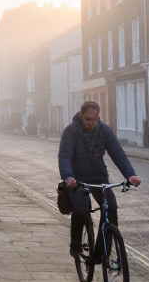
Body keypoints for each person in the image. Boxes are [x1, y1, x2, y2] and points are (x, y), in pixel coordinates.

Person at [57, 100, 141, 260]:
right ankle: (75, 245)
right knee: (81, 211)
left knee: (111, 208)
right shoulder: (71, 131)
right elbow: (65, 156)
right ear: (82, 116)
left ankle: (103, 252)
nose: (92, 123)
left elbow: (118, 153)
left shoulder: (104, 130)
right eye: (88, 119)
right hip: (77, 179)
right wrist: (68, 177)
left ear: (98, 117)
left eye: (95, 119)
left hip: (99, 176)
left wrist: (130, 175)